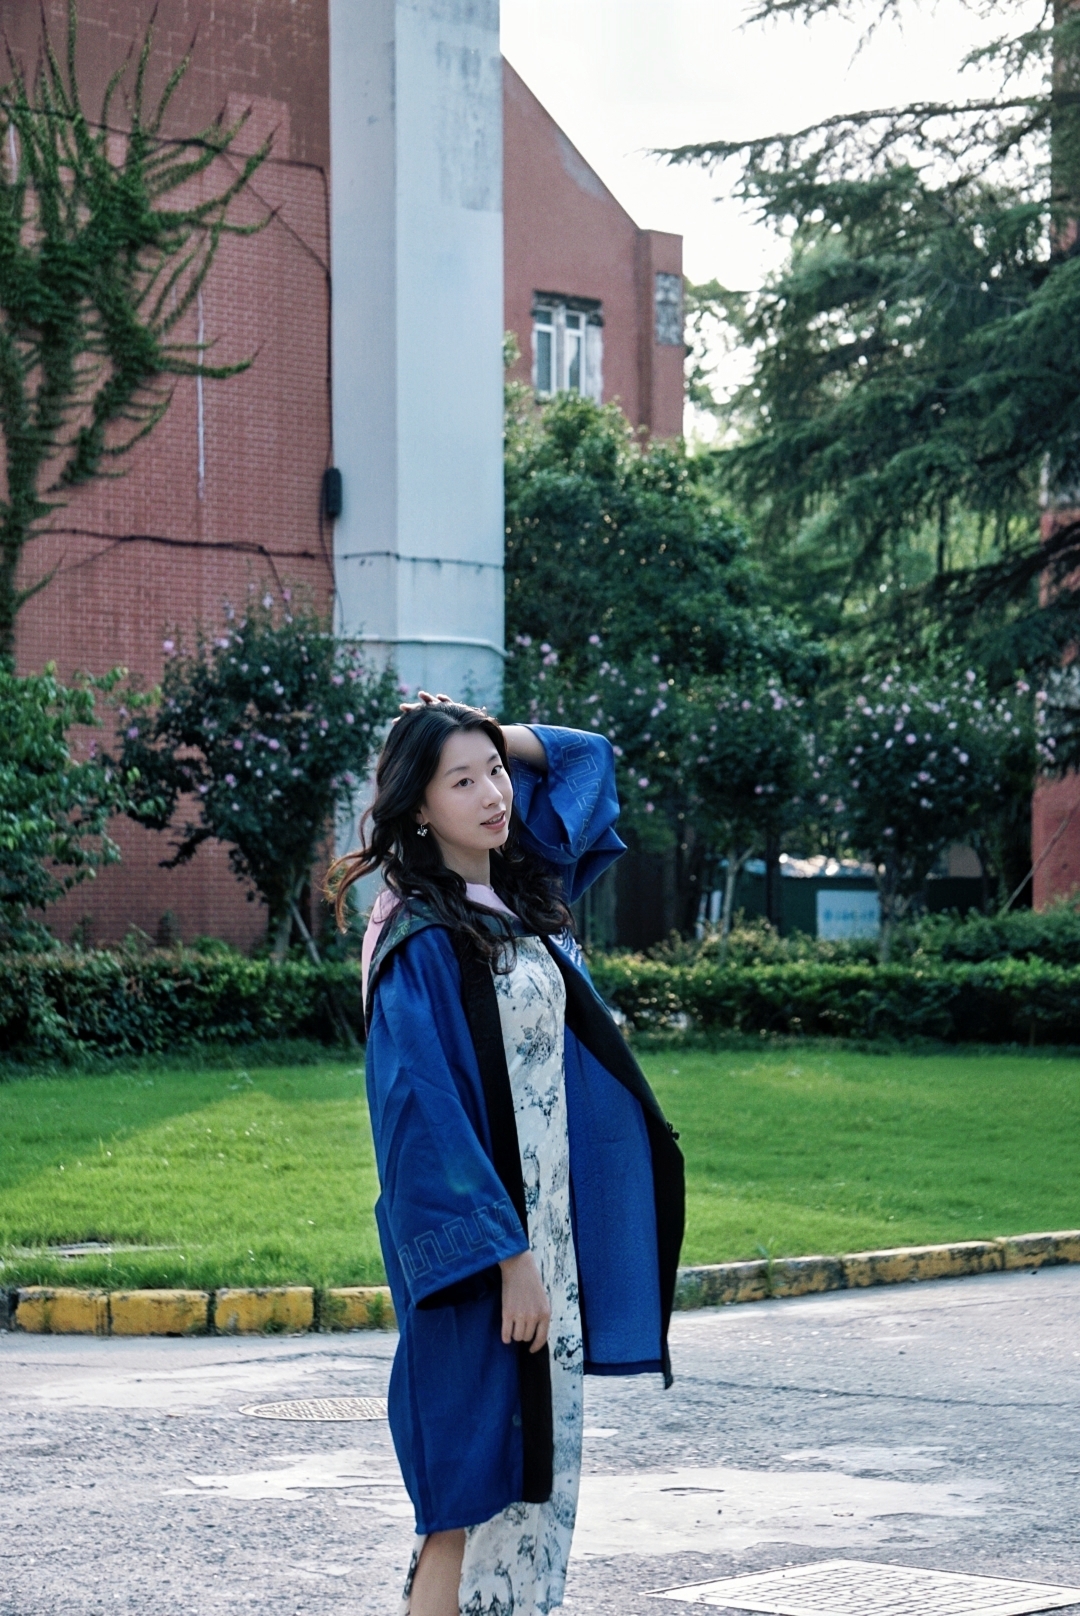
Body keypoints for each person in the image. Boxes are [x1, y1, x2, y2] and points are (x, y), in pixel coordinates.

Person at [327, 693, 684, 1616]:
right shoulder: (418, 935)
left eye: (495, 773)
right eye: (462, 781)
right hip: (480, 1252)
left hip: (545, 1242)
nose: (493, 794)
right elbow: (425, 1114)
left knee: (535, 1482)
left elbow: (588, 760)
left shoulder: (522, 894)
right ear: (417, 806)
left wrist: (480, 728)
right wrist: (507, 1259)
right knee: (466, 1493)